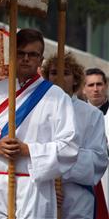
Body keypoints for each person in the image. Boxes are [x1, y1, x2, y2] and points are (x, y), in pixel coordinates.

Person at [0, 28, 79, 218]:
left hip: (35, 188)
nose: (26, 59)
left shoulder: (57, 97)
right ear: (12, 55)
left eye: (32, 54)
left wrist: (28, 150)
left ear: (41, 60)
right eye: (21, 53)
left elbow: (69, 148)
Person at [42, 53, 108, 218]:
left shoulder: (91, 114)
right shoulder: (36, 110)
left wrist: (59, 162)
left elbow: (98, 161)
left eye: (65, 73)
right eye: (53, 73)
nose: (58, 78)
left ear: (76, 79)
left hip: (77, 198)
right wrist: (49, 184)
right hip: (42, 195)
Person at [84, 68, 109, 211]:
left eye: (99, 84)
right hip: (86, 181)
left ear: (106, 86)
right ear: (83, 88)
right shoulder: (74, 116)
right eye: (90, 85)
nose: (95, 89)